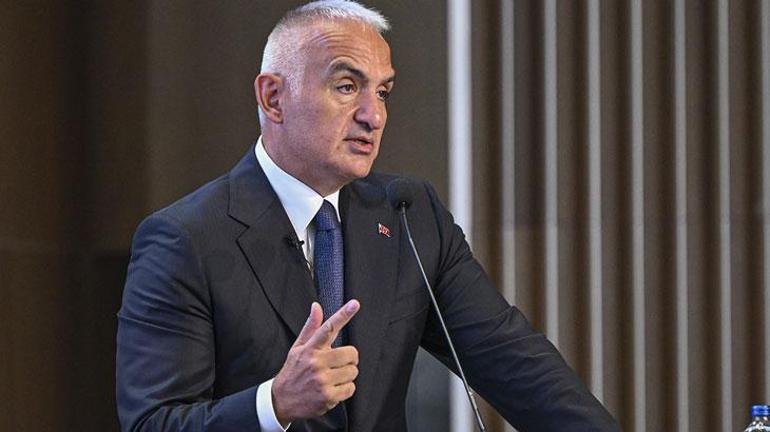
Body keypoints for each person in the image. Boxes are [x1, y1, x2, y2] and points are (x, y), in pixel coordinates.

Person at [116, 1, 620, 431]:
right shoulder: (186, 238)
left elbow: (513, 362)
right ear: (273, 98)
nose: (373, 115)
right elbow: (153, 422)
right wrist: (274, 403)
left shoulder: (409, 216)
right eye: (345, 86)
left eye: (382, 92)